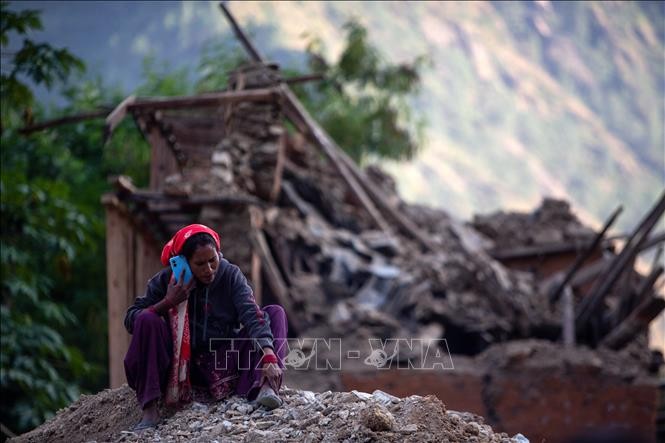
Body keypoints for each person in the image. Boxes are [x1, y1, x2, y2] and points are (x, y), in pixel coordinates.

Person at [123, 224, 287, 431]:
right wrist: (168, 302)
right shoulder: (167, 280)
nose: (209, 269)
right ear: (184, 262)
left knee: (275, 313)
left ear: (219, 254)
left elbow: (251, 314)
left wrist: (269, 355)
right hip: (181, 368)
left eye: (213, 260)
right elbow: (131, 319)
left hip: (224, 362)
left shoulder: (230, 275)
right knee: (148, 318)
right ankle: (150, 409)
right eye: (200, 264)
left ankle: (266, 388)